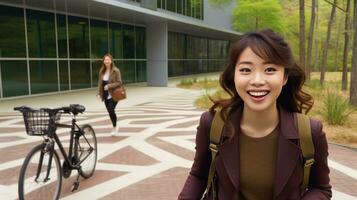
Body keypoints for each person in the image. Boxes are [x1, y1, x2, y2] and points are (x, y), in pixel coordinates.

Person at [178, 29, 331, 200]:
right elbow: (199, 176)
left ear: (285, 77)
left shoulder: (310, 132)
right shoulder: (213, 124)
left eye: (270, 69)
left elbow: (320, 188)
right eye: (245, 70)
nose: (257, 81)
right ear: (234, 74)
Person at [97, 54, 123, 136]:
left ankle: (115, 127)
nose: (106, 61)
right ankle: (114, 126)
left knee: (111, 110)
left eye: (108, 60)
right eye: (105, 60)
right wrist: (98, 93)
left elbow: (119, 82)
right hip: (105, 95)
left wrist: (109, 86)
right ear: (103, 61)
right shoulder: (102, 71)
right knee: (109, 111)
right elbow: (100, 84)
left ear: (111, 61)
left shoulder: (116, 70)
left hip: (114, 94)